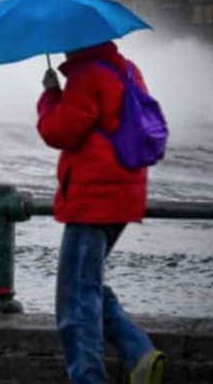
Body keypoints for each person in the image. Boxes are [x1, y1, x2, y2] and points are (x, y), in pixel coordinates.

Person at [36, 40, 166, 384]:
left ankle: (89, 378)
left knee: (75, 300)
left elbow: (59, 131)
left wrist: (50, 95)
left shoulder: (87, 75)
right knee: (86, 285)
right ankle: (138, 353)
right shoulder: (126, 68)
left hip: (93, 199)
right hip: (123, 194)